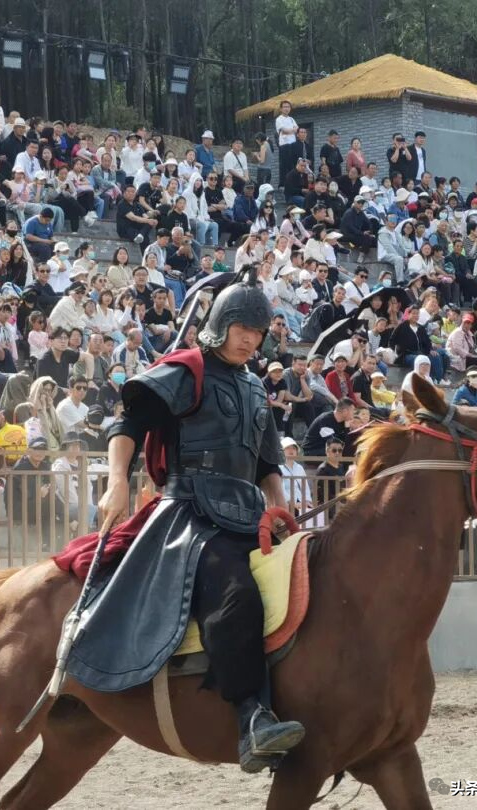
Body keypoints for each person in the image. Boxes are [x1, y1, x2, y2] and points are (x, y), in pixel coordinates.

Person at [80, 273, 304, 773]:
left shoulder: (253, 387)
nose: (250, 339)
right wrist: (118, 479)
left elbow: (267, 464)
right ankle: (252, 719)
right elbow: (130, 420)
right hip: (191, 513)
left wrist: (280, 507)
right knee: (236, 595)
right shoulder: (189, 368)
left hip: (249, 514)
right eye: (242, 327)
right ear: (220, 325)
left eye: (259, 332)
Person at [315, 438, 347, 520]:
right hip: (328, 505)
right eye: (334, 450)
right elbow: (325, 495)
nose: (337, 453)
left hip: (340, 503)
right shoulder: (323, 470)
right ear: (327, 452)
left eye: (340, 450)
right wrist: (340, 503)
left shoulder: (341, 466)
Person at [279, 436, 311, 517]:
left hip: (301, 504)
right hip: (285, 504)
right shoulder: (278, 467)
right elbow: (280, 489)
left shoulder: (300, 468)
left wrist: (307, 501)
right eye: (287, 448)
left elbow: (305, 488)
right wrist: (292, 503)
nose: (291, 450)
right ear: (282, 451)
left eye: (293, 448)